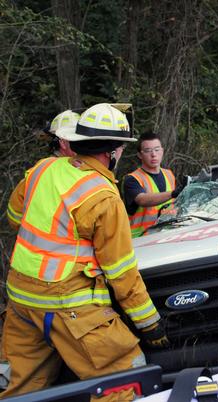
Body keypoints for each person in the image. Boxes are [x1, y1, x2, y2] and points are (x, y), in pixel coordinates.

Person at [2, 103, 169, 401]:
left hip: (22, 303)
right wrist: (150, 324)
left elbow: (16, 217)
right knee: (127, 376)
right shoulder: (103, 195)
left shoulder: (42, 170)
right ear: (114, 151)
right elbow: (121, 271)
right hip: (71, 306)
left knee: (22, 391)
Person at [7, 110, 80, 228]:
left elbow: (14, 214)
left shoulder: (39, 169)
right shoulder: (74, 171)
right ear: (63, 142)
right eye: (76, 139)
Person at [123, 132, 182, 237]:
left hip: (166, 235)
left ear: (162, 151)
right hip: (140, 239)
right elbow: (142, 200)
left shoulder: (169, 174)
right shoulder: (132, 179)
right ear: (140, 155)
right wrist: (173, 193)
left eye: (157, 149)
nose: (153, 154)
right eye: (148, 151)